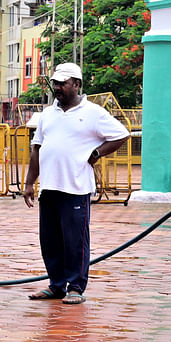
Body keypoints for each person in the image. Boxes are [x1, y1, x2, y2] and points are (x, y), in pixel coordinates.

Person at [22, 62, 129, 305]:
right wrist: (29, 183)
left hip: (76, 187)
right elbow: (37, 148)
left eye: (63, 83)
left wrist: (96, 154)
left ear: (77, 84)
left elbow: (121, 135)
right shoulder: (48, 113)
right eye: (55, 83)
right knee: (50, 240)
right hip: (49, 187)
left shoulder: (93, 112)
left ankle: (76, 287)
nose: (57, 88)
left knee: (75, 241)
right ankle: (56, 285)